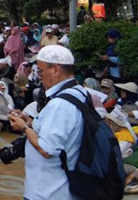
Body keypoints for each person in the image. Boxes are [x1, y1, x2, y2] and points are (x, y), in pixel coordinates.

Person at [7, 45, 87, 200]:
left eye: (41, 71)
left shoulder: (60, 105)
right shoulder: (79, 93)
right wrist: (29, 122)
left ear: (56, 70)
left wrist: (23, 128)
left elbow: (46, 149)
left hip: (49, 192)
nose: (38, 76)